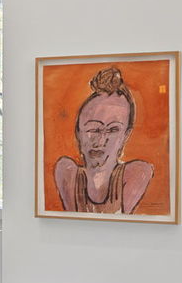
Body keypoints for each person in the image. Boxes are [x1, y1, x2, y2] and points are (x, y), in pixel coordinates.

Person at [53, 65, 154, 214]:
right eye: (93, 129)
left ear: (125, 136)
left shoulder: (137, 173)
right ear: (78, 133)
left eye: (113, 130)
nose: (101, 140)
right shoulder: (67, 173)